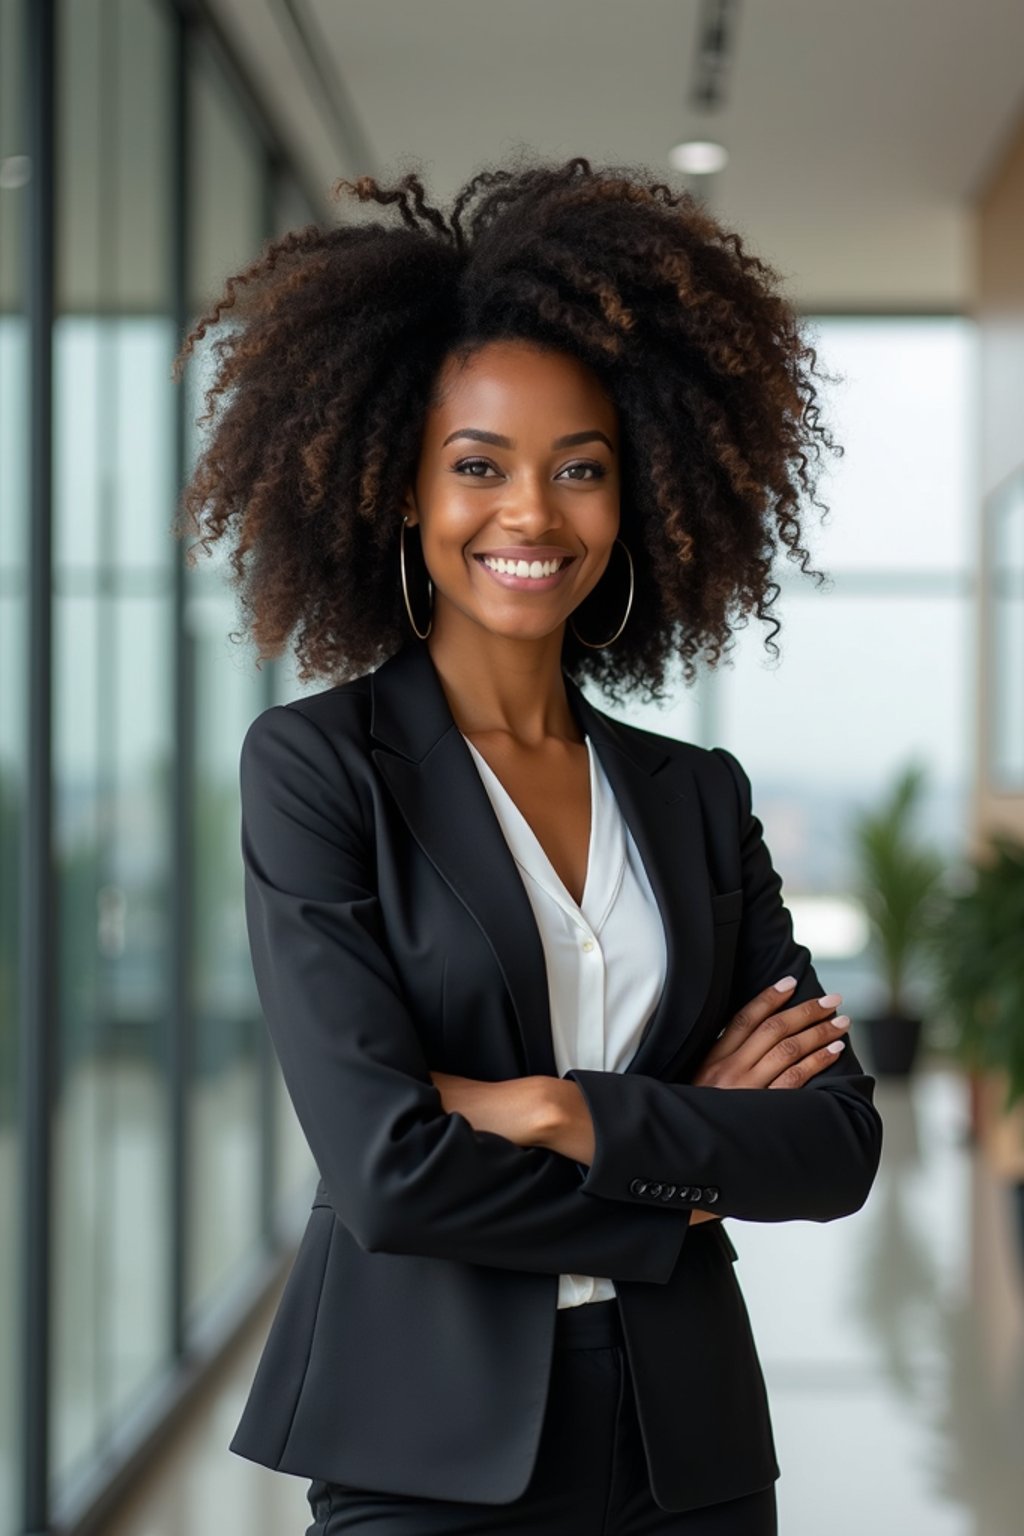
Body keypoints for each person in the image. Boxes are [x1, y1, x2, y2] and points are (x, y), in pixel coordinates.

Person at [172, 154, 882, 1535]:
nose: (531, 516)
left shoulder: (694, 796)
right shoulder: (321, 772)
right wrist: (679, 1184)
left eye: (582, 470)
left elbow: (834, 1143)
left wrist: (562, 1111)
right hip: (423, 1453)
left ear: (641, 495)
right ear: (400, 488)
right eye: (478, 466)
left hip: (693, 1449)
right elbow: (387, 1171)